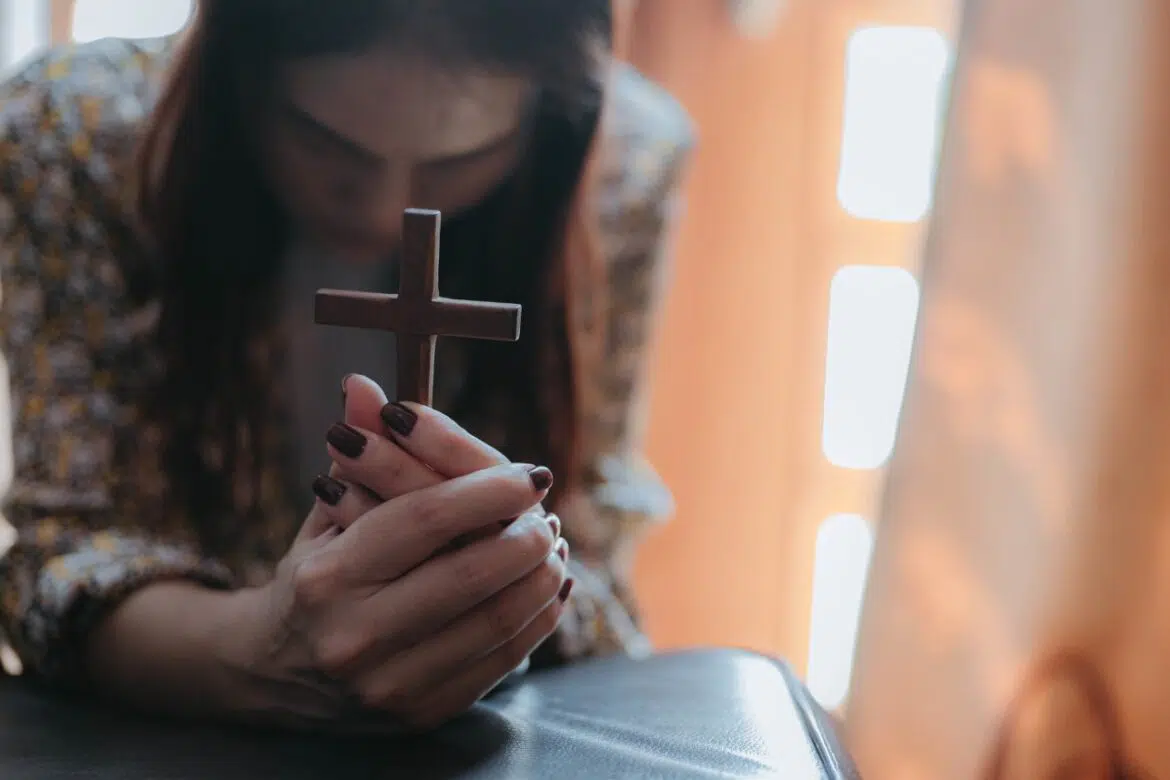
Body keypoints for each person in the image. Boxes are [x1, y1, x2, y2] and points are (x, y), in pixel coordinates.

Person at [0, 0, 692, 730]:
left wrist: (496, 598)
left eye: (457, 163)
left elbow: (592, 541)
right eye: (323, 142)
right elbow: (72, 554)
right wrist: (261, 648)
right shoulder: (75, 137)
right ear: (237, 72)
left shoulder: (628, 162)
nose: (382, 212)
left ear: (545, 121)